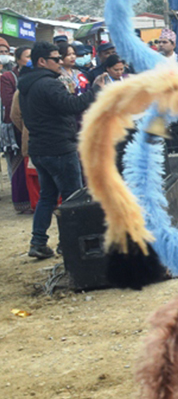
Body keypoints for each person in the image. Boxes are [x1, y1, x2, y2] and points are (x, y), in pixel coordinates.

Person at [17, 42, 100, 259]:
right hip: (59, 148)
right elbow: (71, 106)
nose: (60, 62)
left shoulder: (28, 84)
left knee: (48, 197)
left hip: (41, 148)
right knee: (74, 198)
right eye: (56, 59)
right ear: (42, 61)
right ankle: (70, 243)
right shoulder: (47, 84)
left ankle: (38, 242)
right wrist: (96, 91)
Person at [2, 45, 32, 214]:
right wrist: (24, 128)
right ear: (18, 58)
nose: (30, 60)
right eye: (27, 57)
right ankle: (22, 202)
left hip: (32, 126)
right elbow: (10, 106)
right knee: (19, 166)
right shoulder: (9, 77)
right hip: (16, 128)